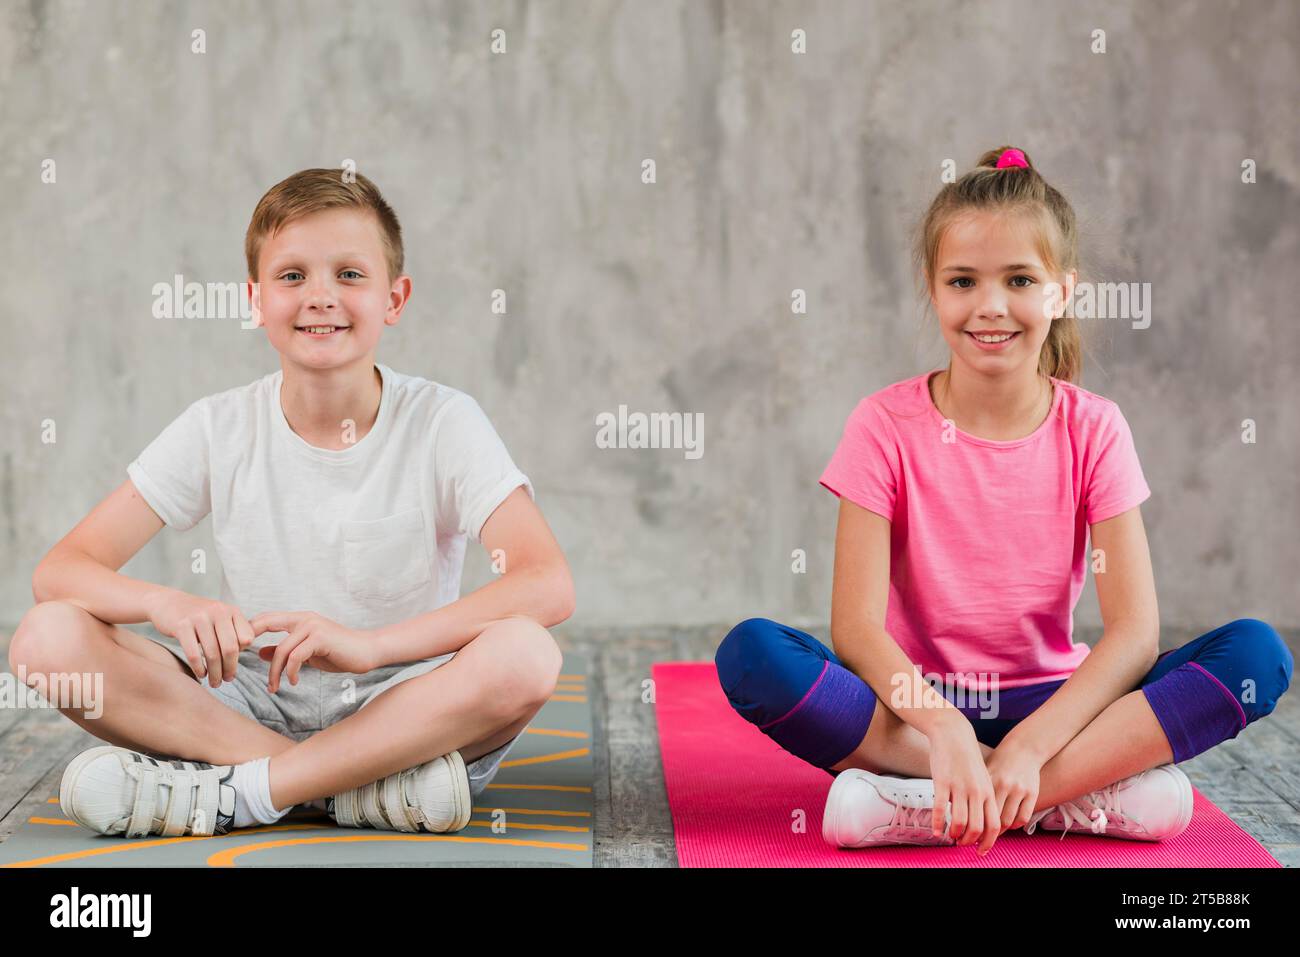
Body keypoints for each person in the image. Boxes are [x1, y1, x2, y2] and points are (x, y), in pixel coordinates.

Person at [714, 146, 1292, 856]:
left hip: (1060, 706)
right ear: (934, 289)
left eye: (1019, 279)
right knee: (752, 655)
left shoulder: (1095, 428)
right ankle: (1071, 794)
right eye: (964, 280)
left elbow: (1134, 632)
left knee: (1258, 656)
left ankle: (934, 803)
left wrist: (1029, 746)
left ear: (1061, 291)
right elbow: (857, 629)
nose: (990, 305)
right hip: (918, 712)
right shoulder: (882, 424)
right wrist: (947, 728)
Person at [11, 168, 575, 838]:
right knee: (46, 637)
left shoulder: (443, 421)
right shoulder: (218, 425)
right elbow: (62, 570)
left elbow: (547, 583)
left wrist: (370, 647)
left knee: (527, 653)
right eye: (291, 276)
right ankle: (338, 789)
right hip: (243, 709)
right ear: (255, 299)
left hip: (405, 713)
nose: (320, 297)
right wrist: (165, 602)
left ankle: (241, 794)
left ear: (395, 298)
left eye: (349, 274)